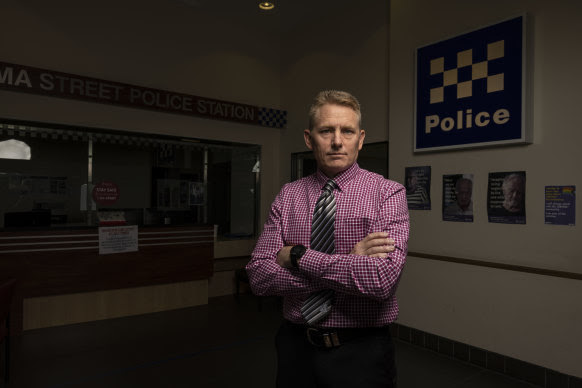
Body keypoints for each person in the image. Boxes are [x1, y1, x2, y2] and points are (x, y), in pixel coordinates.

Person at [246, 90, 409, 388]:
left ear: (360, 139)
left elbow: (381, 281)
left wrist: (298, 256)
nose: (337, 141)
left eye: (347, 131)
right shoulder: (289, 196)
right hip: (295, 348)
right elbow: (258, 277)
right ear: (309, 139)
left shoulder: (388, 193)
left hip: (361, 353)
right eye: (326, 131)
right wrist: (349, 262)